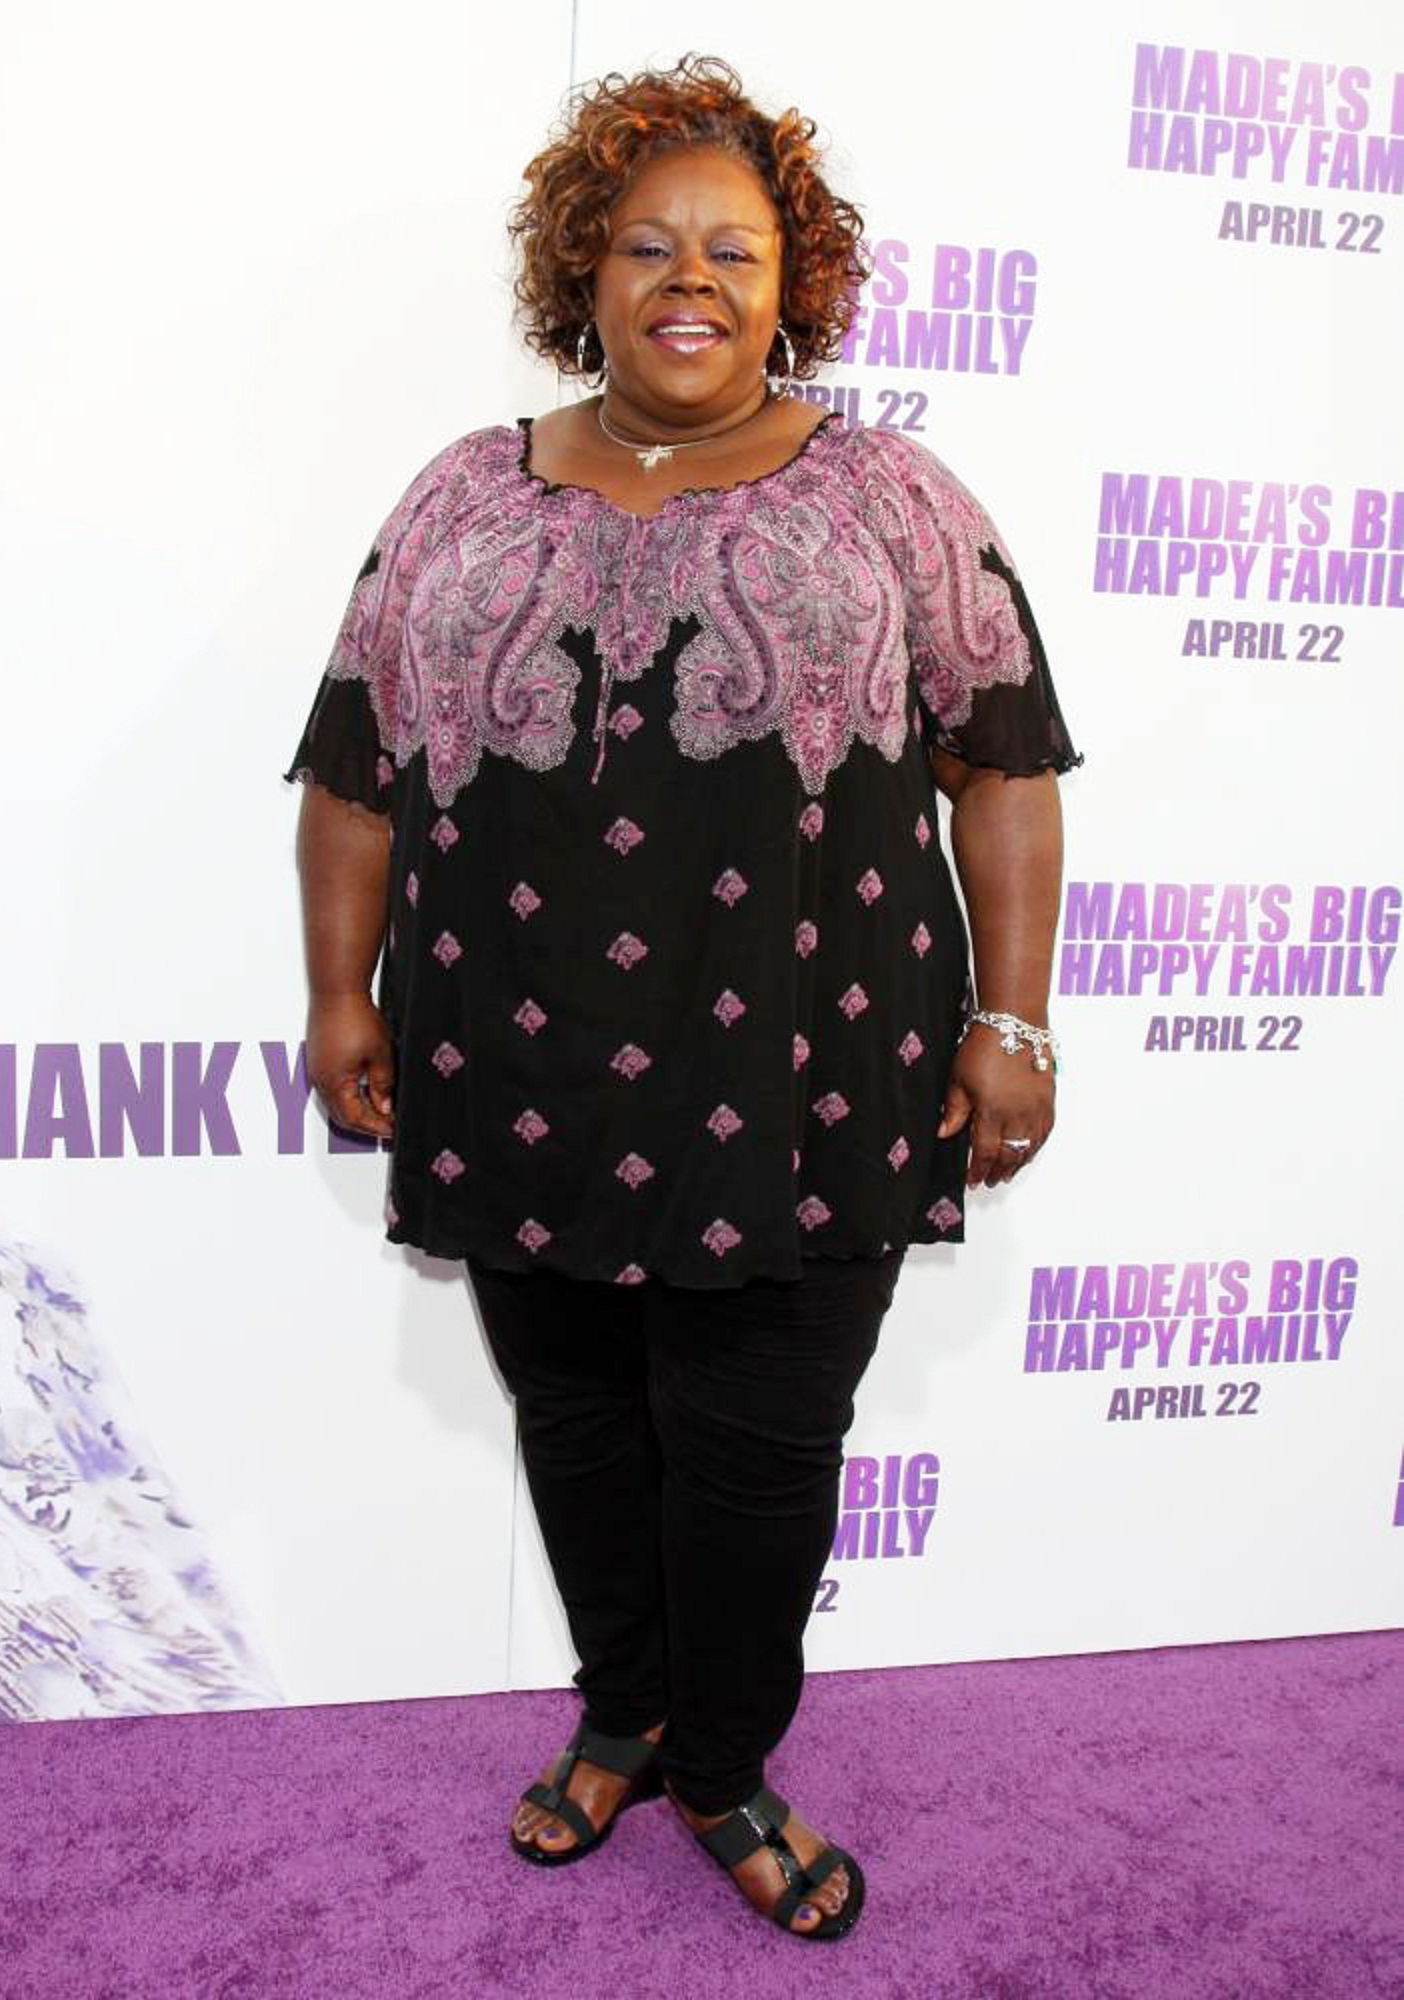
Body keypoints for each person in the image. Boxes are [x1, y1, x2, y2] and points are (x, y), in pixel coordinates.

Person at [286, 53, 1079, 1943]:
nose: (689, 279)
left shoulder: (890, 495)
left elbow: (1004, 768)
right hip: (511, 1052)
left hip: (808, 1069)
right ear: (585, 269)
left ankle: (721, 1765)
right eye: (646, 245)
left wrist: (1014, 1021)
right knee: (576, 1423)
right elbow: (352, 769)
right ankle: (622, 1713)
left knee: (756, 1450)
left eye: (734, 248)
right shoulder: (462, 492)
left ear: (793, 283)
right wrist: (340, 995)